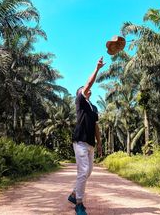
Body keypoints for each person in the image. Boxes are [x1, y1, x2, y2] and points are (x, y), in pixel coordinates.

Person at [68, 57, 105, 215]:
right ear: (80, 94)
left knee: (88, 172)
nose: (87, 88)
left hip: (89, 143)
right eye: (83, 89)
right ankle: (79, 204)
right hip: (80, 141)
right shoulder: (80, 101)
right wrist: (97, 69)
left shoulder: (93, 108)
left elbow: (96, 125)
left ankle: (74, 194)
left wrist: (99, 143)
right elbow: (89, 84)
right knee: (83, 172)